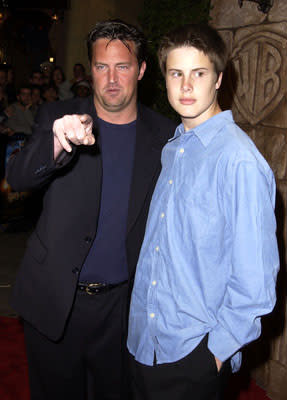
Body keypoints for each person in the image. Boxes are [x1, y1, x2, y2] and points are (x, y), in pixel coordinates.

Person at [6, 19, 176, 400]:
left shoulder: (165, 135)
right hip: (55, 302)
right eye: (102, 66)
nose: (111, 78)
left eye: (123, 66)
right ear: (91, 70)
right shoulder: (59, 117)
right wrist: (56, 143)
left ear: (142, 70)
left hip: (122, 310)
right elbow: (17, 177)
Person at [127, 23, 279, 400]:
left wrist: (213, 355)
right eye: (176, 73)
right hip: (143, 343)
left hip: (191, 356)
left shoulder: (238, 160)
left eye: (199, 73)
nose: (186, 86)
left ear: (218, 79)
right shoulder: (175, 148)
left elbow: (256, 284)